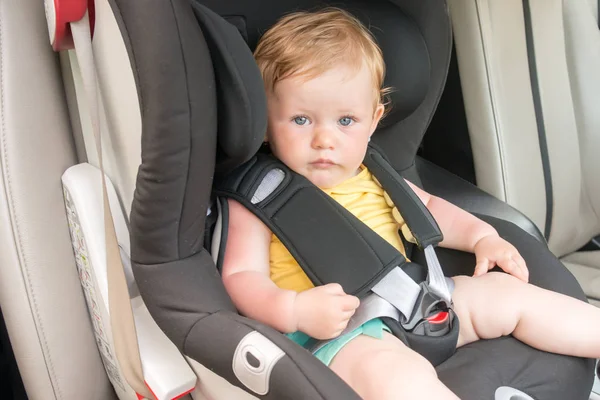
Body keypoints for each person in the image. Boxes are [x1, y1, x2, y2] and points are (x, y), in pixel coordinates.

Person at [221, 8, 600, 400]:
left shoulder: (375, 174)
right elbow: (241, 278)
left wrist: (481, 237)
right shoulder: (261, 198)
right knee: (394, 375)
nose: (324, 140)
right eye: (301, 120)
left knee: (506, 295)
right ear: (266, 123)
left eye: (345, 121)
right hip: (339, 336)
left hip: (419, 298)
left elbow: (431, 207)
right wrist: (295, 310)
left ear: (374, 119)